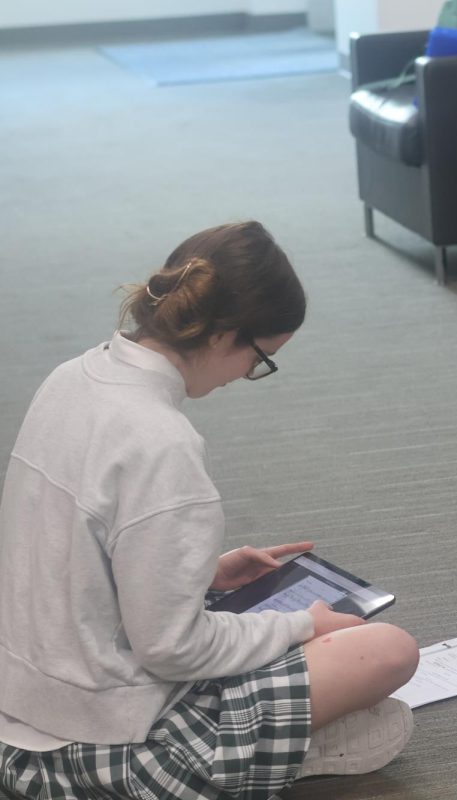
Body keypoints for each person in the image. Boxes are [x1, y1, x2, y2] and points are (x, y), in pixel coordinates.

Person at [0, 222, 420, 798]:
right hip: (100, 745)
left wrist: (200, 575)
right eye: (261, 360)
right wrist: (302, 625)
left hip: (16, 716)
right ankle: (261, 757)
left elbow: (65, 548)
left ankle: (274, 744)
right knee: (386, 650)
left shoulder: (70, 376)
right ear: (225, 336)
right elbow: (174, 650)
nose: (247, 378)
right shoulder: (162, 442)